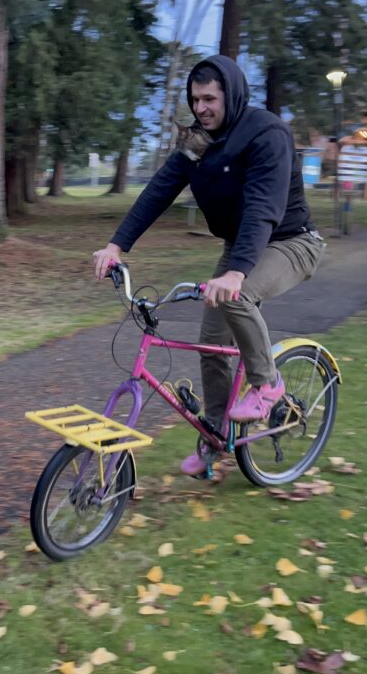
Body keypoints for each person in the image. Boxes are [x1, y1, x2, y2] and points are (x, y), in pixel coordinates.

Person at [93, 55, 325, 477]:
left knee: (238, 297)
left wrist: (236, 274)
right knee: (211, 343)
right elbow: (161, 187)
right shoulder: (199, 140)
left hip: (292, 241)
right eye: (195, 99)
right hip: (241, 246)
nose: (201, 108)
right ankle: (215, 434)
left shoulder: (266, 133)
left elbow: (261, 210)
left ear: (231, 95)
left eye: (209, 99)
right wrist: (116, 245)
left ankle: (268, 383)